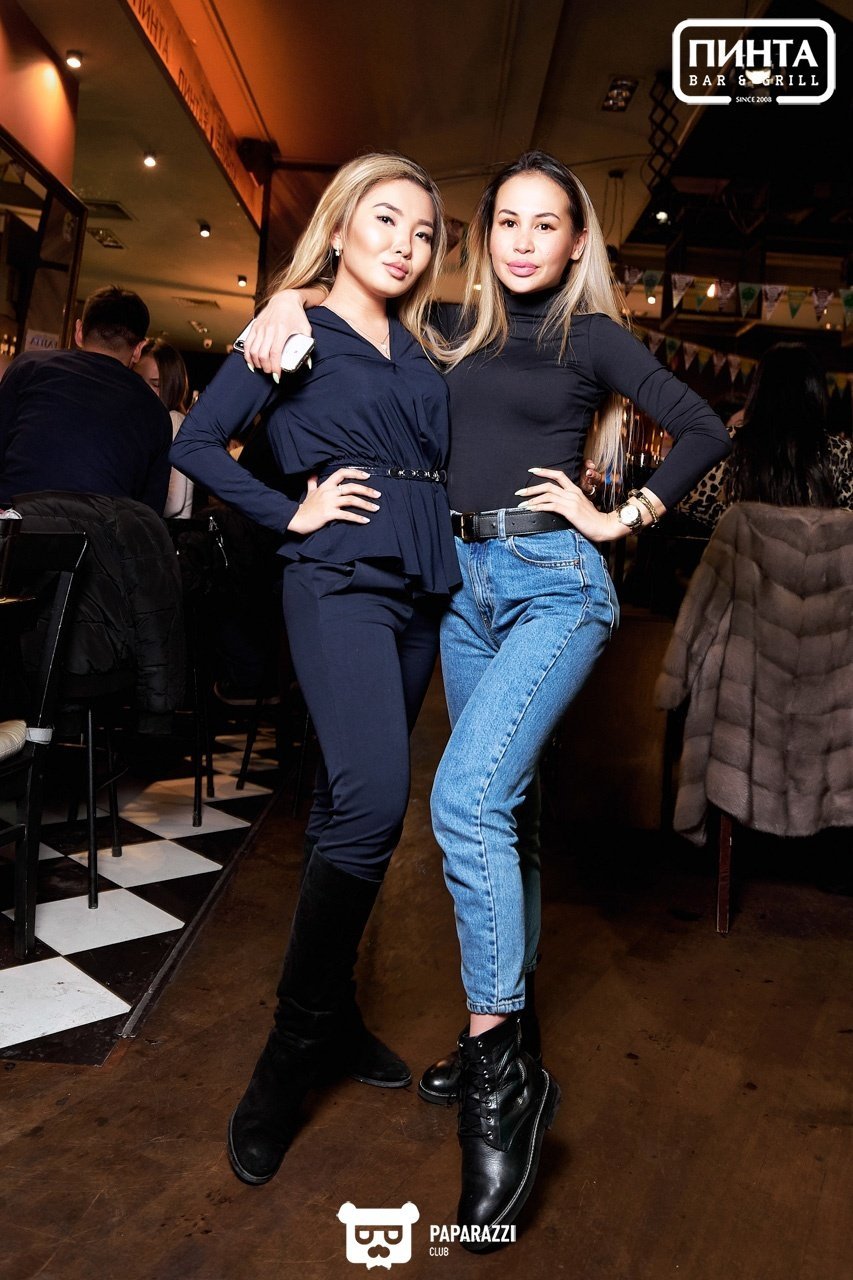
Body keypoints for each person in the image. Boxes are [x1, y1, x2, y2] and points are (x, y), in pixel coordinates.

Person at [250, 150, 732, 1246]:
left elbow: (704, 428)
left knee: (464, 800)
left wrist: (623, 516)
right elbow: (356, 295)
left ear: (575, 241)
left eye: (544, 223)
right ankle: (504, 1037)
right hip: (461, 591)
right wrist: (286, 297)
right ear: (482, 236)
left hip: (553, 580)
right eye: (505, 221)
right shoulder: (448, 327)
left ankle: (502, 1072)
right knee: (508, 816)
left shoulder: (590, 337)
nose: (521, 241)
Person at [170, 152, 458, 1187]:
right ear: (339, 227)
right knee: (376, 801)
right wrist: (289, 509)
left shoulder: (421, 346)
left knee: (348, 804)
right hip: (337, 578)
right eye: (384, 220)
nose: (404, 245)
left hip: (420, 588)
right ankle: (290, 1049)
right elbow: (198, 445)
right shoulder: (290, 327)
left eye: (422, 233)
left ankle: (332, 1016)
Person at [0, 286, 171, 511]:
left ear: (79, 331)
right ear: (139, 349)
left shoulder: (28, 367)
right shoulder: (155, 412)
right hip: (100, 529)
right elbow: (149, 512)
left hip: (16, 520)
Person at [678, 341, 853, 529]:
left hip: (745, 547)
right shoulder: (839, 451)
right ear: (816, 391)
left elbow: (689, 503)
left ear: (760, 389)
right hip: (812, 548)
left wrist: (741, 522)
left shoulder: (729, 442)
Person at [135, 338, 195, 517]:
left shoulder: (173, 420)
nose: (145, 390)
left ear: (172, 385)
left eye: (156, 384)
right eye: (138, 380)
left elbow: (173, 502)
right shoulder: (154, 423)